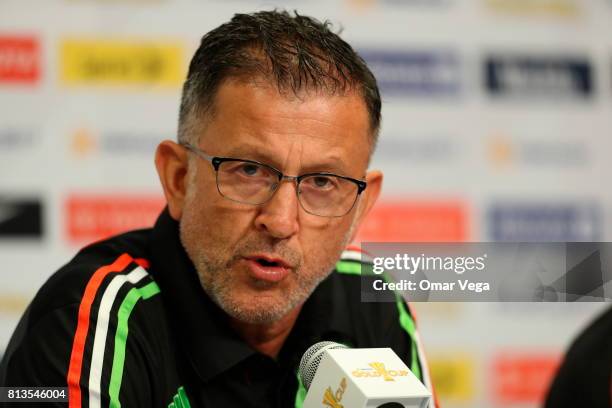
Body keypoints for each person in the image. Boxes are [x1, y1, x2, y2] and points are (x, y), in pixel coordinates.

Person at [0, 10, 435, 407]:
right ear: (178, 178)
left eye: (322, 182)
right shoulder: (90, 319)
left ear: (360, 206)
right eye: (249, 170)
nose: (281, 221)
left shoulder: (372, 302)